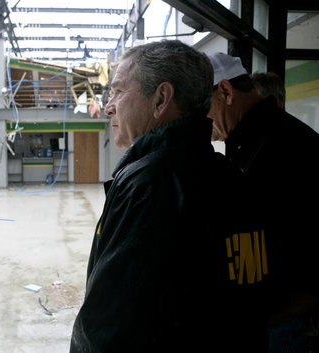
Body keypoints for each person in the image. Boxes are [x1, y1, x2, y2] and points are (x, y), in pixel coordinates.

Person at [70, 40, 255, 352]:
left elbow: (107, 325)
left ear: (161, 99)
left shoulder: (149, 183)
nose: (109, 105)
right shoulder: (229, 174)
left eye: (118, 91)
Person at [207, 52, 319, 352]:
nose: (198, 117)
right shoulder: (253, 138)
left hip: (294, 324)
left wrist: (266, 315)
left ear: (225, 91)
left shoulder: (279, 145)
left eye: (201, 104)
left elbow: (316, 248)